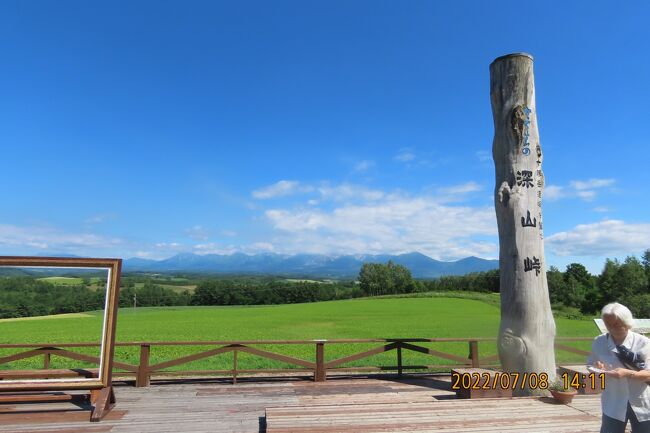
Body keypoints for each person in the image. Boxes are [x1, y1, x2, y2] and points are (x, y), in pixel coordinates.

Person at [588, 302, 650, 433]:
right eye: (607, 325)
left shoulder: (644, 343)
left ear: (627, 323)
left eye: (616, 325)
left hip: (642, 401)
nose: (611, 329)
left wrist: (627, 373)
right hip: (613, 400)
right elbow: (590, 364)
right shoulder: (599, 342)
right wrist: (597, 367)